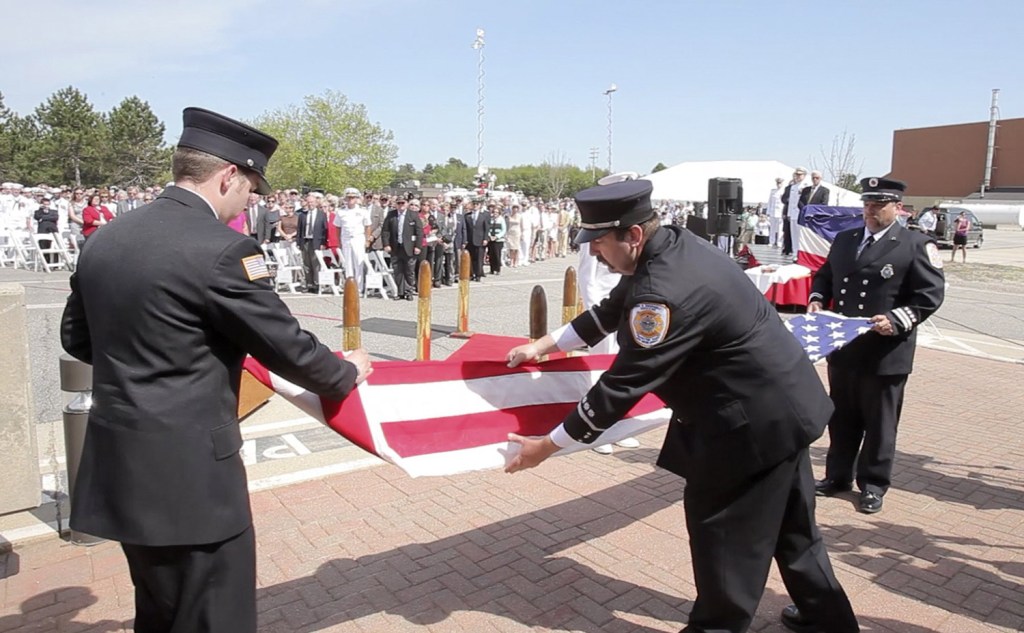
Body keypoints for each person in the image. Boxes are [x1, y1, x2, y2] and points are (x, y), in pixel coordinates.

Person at [60, 107, 373, 633]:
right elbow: (289, 349)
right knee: (214, 614)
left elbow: (78, 339)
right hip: (193, 479)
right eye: (250, 189)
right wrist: (346, 371)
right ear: (228, 175)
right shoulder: (224, 250)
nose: (250, 203)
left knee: (159, 610)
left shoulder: (108, 237)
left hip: (123, 464)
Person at [504, 178, 858, 633]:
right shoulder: (673, 242)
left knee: (724, 541)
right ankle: (827, 620)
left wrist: (547, 446)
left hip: (743, 430)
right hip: (780, 412)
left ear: (632, 235)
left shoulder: (663, 292)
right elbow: (613, 308)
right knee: (794, 531)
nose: (592, 252)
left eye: (599, 241)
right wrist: (546, 344)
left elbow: (622, 385)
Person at [808, 177, 945, 515]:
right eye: (867, 204)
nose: (870, 210)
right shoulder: (846, 239)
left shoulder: (914, 243)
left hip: (885, 352)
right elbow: (827, 275)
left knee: (880, 424)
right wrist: (815, 297)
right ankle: (837, 477)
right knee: (841, 418)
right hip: (844, 346)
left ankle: (872, 485)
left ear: (896, 206)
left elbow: (930, 295)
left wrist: (897, 320)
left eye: (878, 205)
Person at [382, 197, 423, 300]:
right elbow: (385, 231)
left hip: (409, 247)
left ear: (407, 203)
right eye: (399, 203)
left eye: (403, 203)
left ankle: (409, 291)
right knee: (398, 271)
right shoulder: (391, 215)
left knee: (409, 270)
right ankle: (400, 292)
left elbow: (419, 232)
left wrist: (418, 246)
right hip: (396, 247)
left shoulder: (413, 215)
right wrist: (386, 244)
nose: (401, 205)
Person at [781, 167, 808, 258]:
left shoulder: (806, 186)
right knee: (793, 234)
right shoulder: (793, 187)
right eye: (796, 174)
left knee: (800, 235)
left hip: (800, 213)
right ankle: (795, 252)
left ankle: (800, 253)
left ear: (804, 175)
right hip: (792, 214)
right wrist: (789, 214)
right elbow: (791, 202)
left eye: (800, 175)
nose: (798, 176)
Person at [767, 177, 785, 247]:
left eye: (780, 183)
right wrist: (768, 212)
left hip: (780, 212)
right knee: (772, 228)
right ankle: (771, 241)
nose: (779, 184)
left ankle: (779, 242)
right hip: (773, 212)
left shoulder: (784, 191)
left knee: (780, 228)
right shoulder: (773, 191)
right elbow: (770, 202)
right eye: (778, 183)